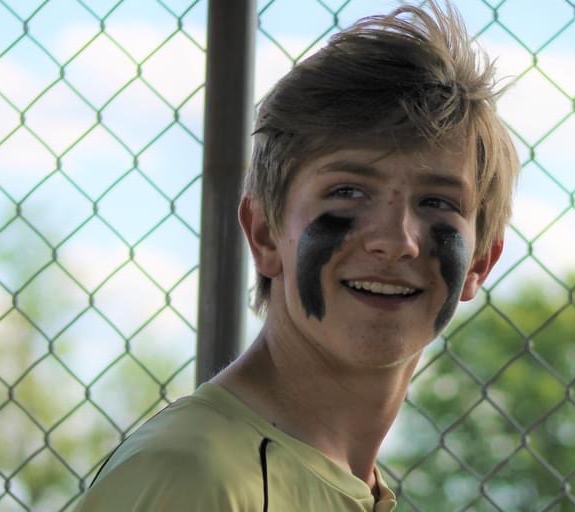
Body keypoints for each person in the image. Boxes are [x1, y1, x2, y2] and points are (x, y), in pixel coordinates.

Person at [75, 1, 519, 510]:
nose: (397, 240)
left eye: (437, 202)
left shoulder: (342, 483)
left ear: (481, 261)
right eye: (348, 192)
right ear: (265, 234)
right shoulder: (196, 478)